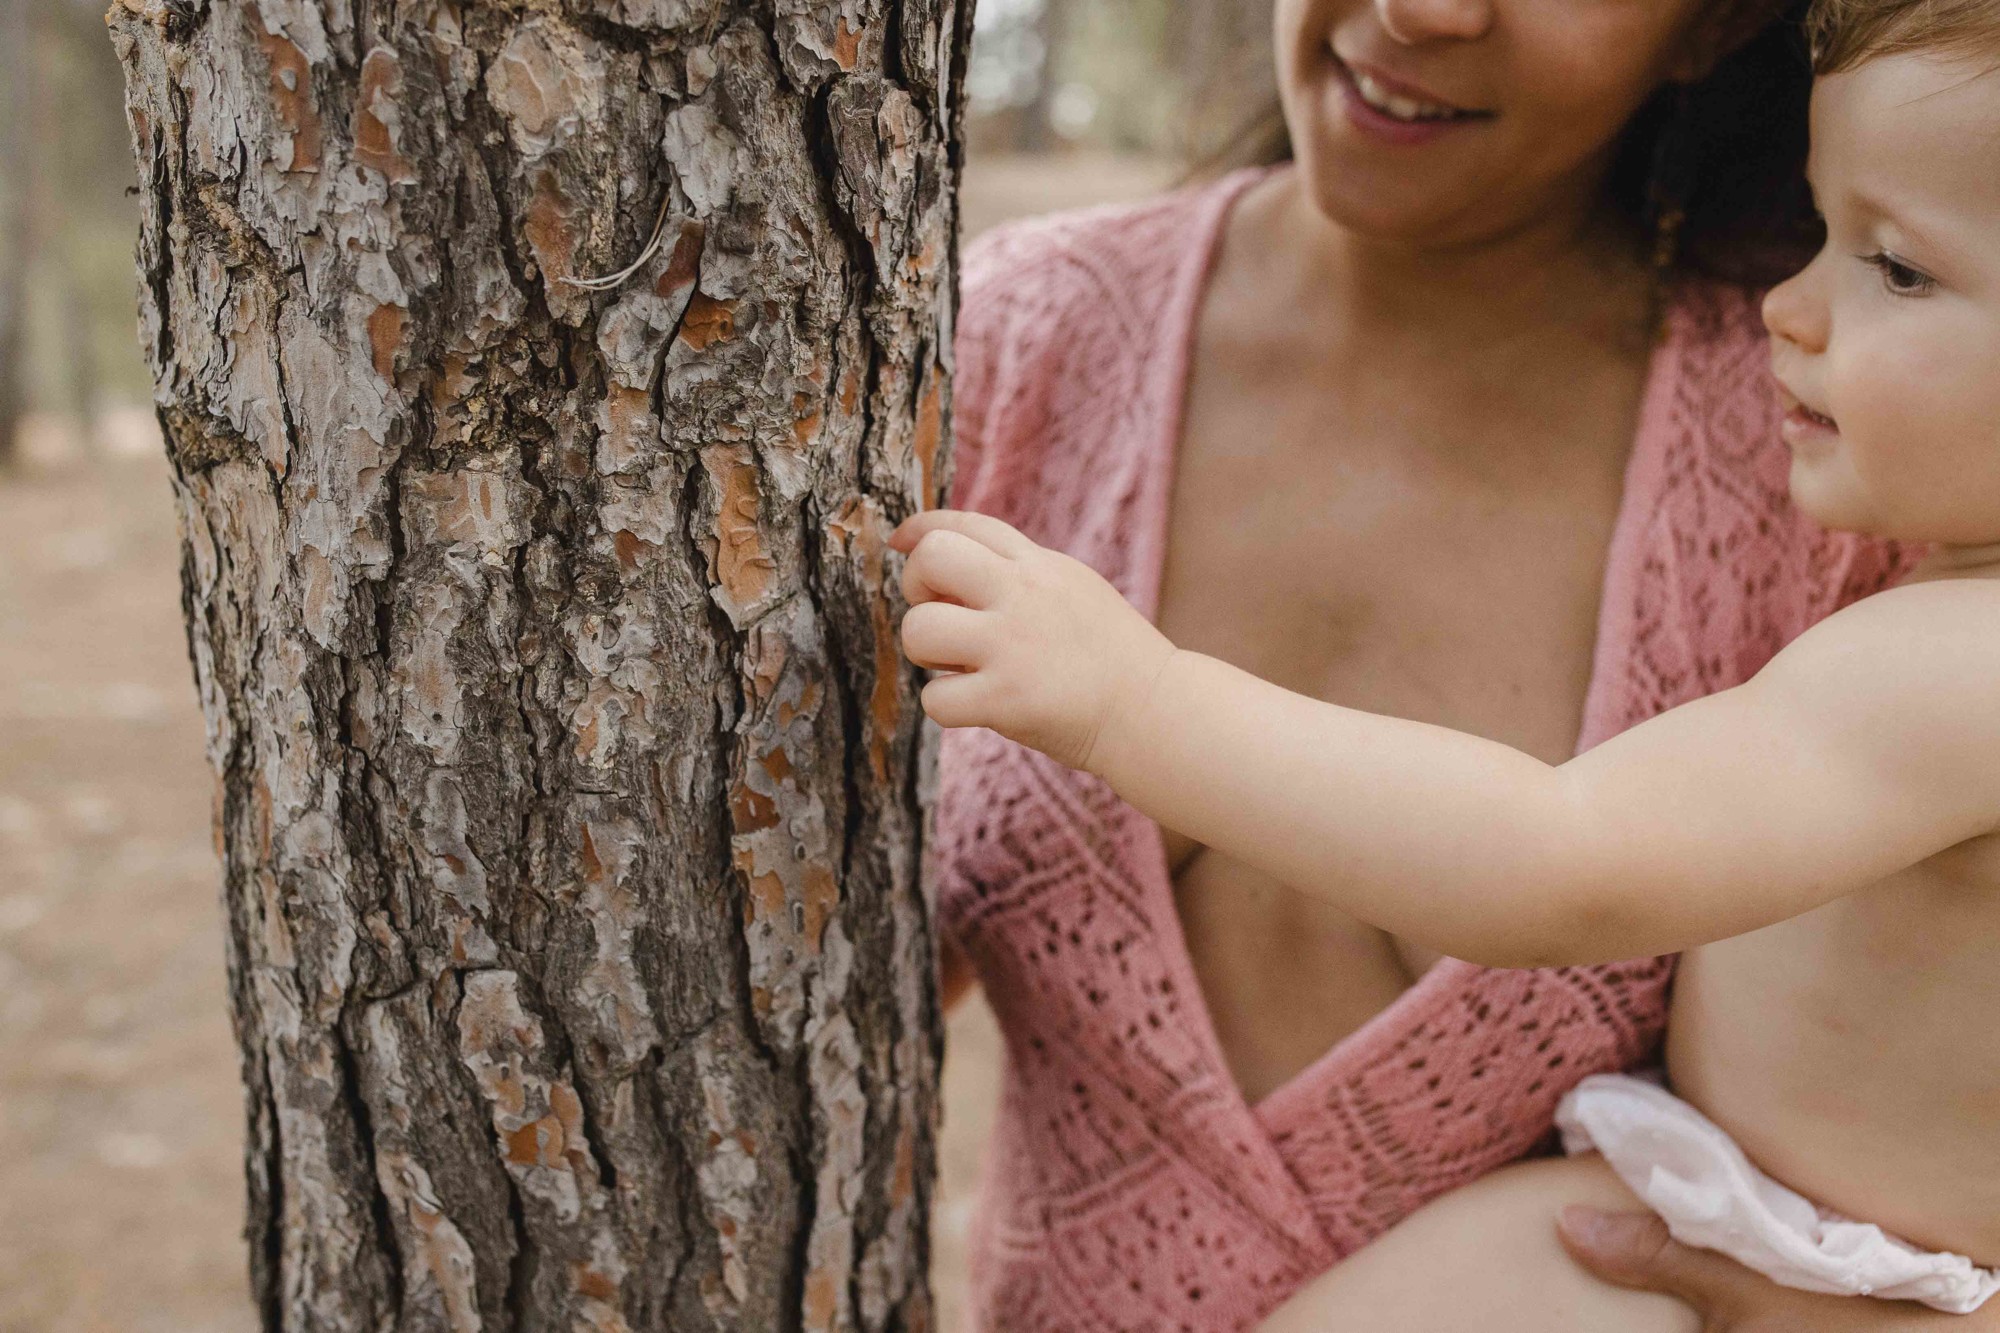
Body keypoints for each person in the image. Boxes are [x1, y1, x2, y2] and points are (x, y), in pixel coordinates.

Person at [904, 1, 2000, 1329]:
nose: (1422, 6)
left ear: (1711, 26)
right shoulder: (1008, 340)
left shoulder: (1850, 475)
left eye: (1892, 261)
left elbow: (1576, 860)